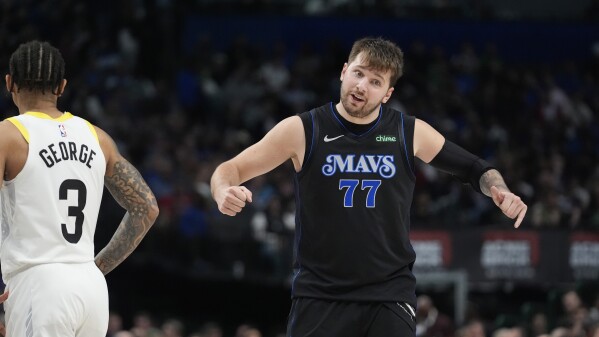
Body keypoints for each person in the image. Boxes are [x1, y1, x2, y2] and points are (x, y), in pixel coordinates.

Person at [210, 37, 527, 337]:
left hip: (388, 295)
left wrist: (498, 189)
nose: (362, 86)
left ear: (387, 93)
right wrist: (223, 190)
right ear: (344, 72)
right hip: (319, 295)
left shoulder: (407, 132)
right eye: (358, 74)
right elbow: (231, 169)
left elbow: (475, 168)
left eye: (376, 81)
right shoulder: (304, 129)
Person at [0, 40, 159, 336]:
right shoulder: (96, 137)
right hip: (91, 288)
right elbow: (146, 208)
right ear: (61, 87)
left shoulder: (7, 135)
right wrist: (97, 268)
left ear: (9, 83)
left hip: (39, 283)